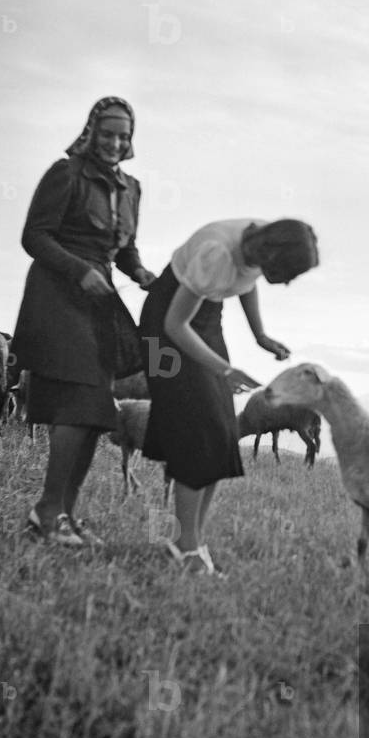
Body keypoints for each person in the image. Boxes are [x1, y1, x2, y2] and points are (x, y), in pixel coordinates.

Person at [13, 97, 157, 546]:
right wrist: (78, 270)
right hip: (58, 296)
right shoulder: (66, 173)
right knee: (78, 404)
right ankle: (47, 512)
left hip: (100, 300)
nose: (116, 142)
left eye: (124, 135)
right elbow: (33, 236)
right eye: (108, 132)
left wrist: (139, 273)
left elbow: (126, 248)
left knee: (96, 412)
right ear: (92, 132)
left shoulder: (132, 187)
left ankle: (65, 515)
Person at [139, 218, 319, 573]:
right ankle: (185, 547)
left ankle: (193, 542)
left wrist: (259, 336)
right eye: (289, 273)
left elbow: (247, 280)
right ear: (273, 254)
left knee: (222, 431)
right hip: (166, 330)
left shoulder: (260, 241)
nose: (287, 282)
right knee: (198, 430)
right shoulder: (217, 254)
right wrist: (223, 369)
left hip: (204, 318)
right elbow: (174, 325)